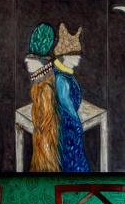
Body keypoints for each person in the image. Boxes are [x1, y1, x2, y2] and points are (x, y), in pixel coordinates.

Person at [53, 23, 89, 173]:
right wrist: (77, 124)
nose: (79, 58)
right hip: (67, 128)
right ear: (66, 56)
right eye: (76, 55)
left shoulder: (66, 74)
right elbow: (67, 106)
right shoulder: (61, 79)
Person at [25, 22, 60, 173]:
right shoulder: (40, 82)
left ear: (41, 63)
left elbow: (45, 121)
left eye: (30, 60)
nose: (27, 63)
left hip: (45, 140)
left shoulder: (45, 87)